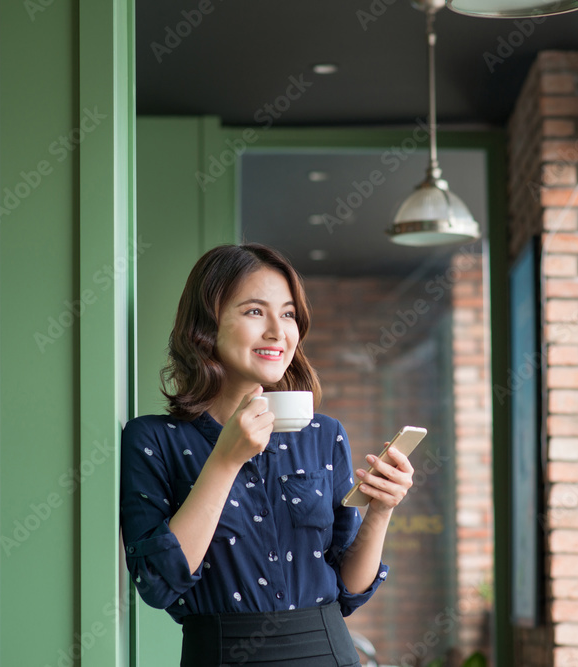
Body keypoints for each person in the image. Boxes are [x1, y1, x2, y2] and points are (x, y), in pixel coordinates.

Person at [120, 243, 415, 667]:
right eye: (255, 311)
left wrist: (382, 509)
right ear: (206, 326)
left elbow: (350, 589)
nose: (279, 330)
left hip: (329, 652)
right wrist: (224, 460)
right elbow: (159, 584)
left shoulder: (323, 434)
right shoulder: (152, 438)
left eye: (289, 313)